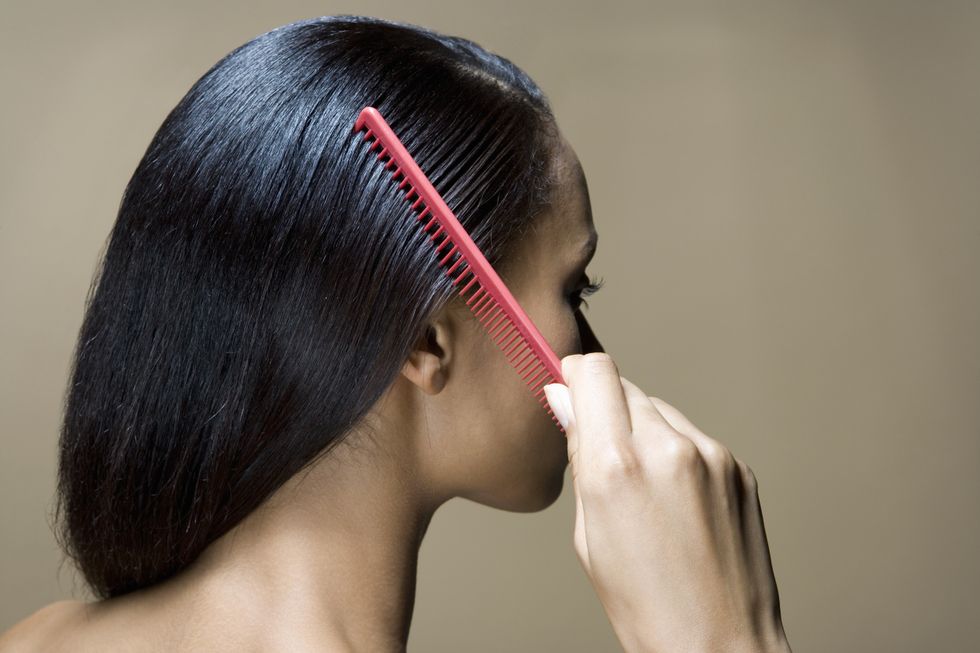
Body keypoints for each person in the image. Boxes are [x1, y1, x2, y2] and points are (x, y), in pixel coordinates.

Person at [0, 14, 791, 652]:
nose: (593, 351)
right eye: (572, 287)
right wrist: (720, 637)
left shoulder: (38, 638)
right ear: (427, 342)